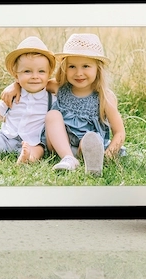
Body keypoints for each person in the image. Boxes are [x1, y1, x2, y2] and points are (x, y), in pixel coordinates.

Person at [43, 33, 126, 176]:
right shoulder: (59, 88)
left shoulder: (104, 97)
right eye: (72, 66)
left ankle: (92, 161)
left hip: (86, 148)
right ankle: (68, 158)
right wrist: (14, 87)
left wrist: (109, 154)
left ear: (97, 68)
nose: (79, 73)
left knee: (91, 138)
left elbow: (119, 132)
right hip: (60, 145)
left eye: (86, 66)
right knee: (52, 115)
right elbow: (35, 83)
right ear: (64, 68)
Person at [0, 36, 58, 164]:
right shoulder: (12, 95)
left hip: (32, 142)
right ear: (17, 75)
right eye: (27, 71)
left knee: (39, 150)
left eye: (41, 71)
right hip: (6, 137)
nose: (35, 76)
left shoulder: (51, 99)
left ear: (49, 75)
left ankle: (27, 158)